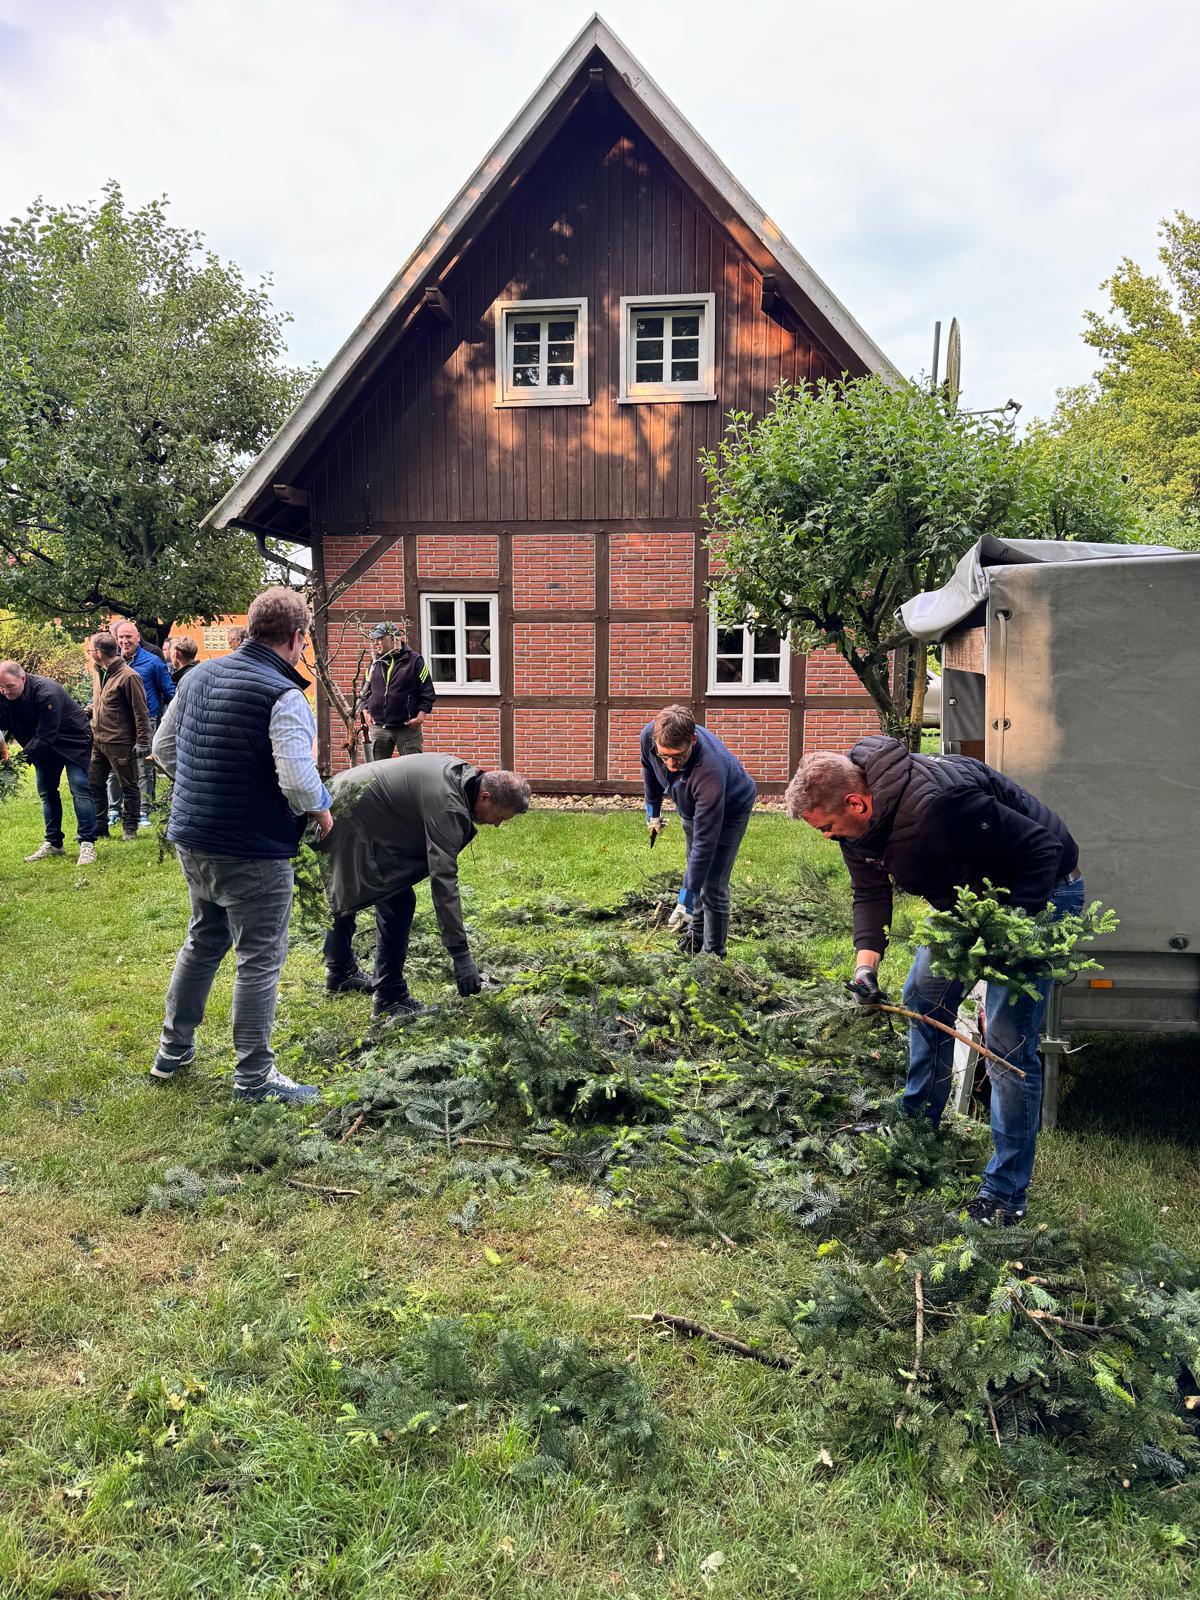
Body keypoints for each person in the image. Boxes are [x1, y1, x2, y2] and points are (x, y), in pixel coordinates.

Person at [785, 736, 1083, 1226]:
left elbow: (1043, 848)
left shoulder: (939, 806)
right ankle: (918, 1134)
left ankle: (1005, 1195)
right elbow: (870, 893)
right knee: (921, 1000)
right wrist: (866, 966)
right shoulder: (860, 828)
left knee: (1007, 1043)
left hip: (1042, 894)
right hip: (967, 899)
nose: (829, 838)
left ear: (857, 802)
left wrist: (1010, 934)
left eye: (830, 829)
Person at [150, 586, 333, 1104]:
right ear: (298, 638)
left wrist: (204, 787)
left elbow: (164, 748)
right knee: (259, 956)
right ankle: (255, 1076)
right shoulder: (284, 695)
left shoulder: (199, 674)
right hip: (253, 848)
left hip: (192, 836)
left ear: (252, 628)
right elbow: (297, 782)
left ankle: (173, 1051)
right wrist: (322, 810)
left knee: (204, 940)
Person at [319, 757, 530, 1018]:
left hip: (353, 802)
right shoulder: (449, 805)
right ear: (485, 797)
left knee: (358, 888)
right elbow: (443, 880)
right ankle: (390, 997)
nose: (497, 824)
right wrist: (461, 955)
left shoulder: (462, 777)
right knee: (396, 900)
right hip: (345, 810)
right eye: (499, 817)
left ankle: (340, 971)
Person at [640, 705, 757, 958]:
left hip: (729, 810)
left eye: (678, 757)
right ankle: (697, 934)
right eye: (664, 756)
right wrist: (653, 814)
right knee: (697, 871)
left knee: (712, 883)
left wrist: (685, 898)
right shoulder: (649, 736)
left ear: (692, 740)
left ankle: (713, 958)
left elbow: (705, 843)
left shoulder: (710, 771)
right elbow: (649, 770)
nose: (670, 765)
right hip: (691, 807)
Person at [0, 660, 98, 866]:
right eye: (1, 687)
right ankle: (54, 843)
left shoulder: (47, 692)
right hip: (41, 745)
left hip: (72, 741)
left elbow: (47, 735)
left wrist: (17, 762)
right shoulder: (2, 694)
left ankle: (87, 844)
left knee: (79, 788)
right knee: (46, 791)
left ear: (22, 678)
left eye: (10, 686)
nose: (6, 691)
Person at [88, 632, 151, 843]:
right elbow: (103, 702)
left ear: (98, 653)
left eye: (90, 650)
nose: (89, 654)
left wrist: (143, 742)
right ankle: (100, 826)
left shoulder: (129, 676)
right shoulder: (99, 672)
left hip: (120, 742)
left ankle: (130, 828)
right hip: (98, 741)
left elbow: (141, 713)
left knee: (129, 786)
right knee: (95, 784)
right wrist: (88, 710)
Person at [112, 619, 175, 825]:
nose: (124, 641)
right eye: (121, 637)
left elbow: (169, 691)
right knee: (116, 766)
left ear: (138, 638)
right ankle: (114, 809)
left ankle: (144, 811)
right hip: (119, 722)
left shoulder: (153, 662)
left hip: (147, 719)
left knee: (144, 766)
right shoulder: (112, 664)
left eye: (129, 637)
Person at [361, 621, 436, 759]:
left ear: (394, 639)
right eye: (374, 639)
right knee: (376, 773)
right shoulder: (374, 662)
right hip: (378, 728)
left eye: (380, 639)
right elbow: (364, 691)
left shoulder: (415, 661)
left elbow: (428, 692)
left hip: (407, 729)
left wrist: (420, 717)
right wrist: (365, 711)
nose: (376, 643)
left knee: (411, 771)